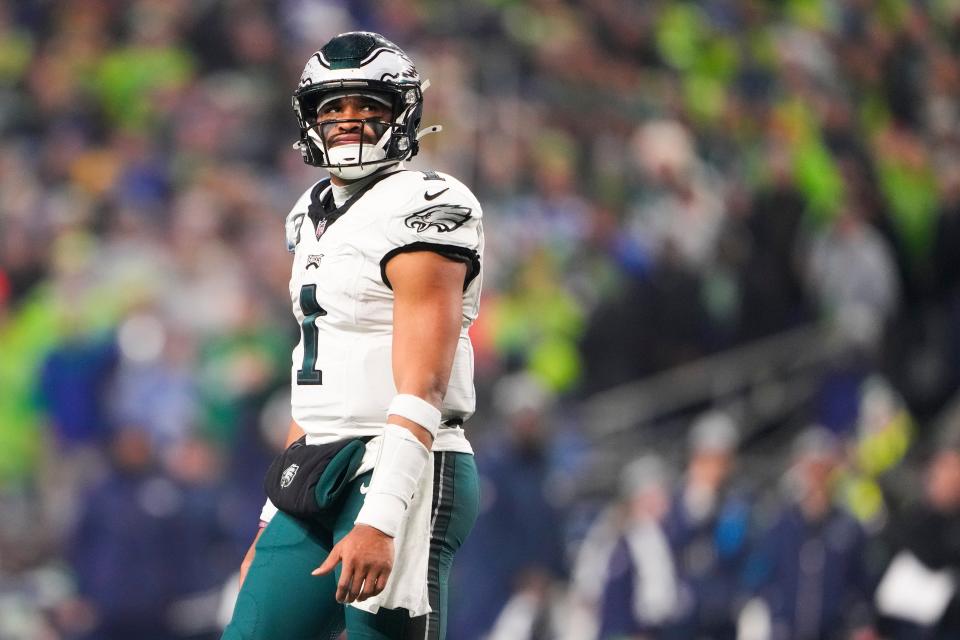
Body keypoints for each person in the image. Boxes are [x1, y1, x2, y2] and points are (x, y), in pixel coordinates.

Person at [221, 31, 483, 640]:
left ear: (403, 112)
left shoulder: (427, 203)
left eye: (369, 105)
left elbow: (426, 379)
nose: (349, 121)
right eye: (332, 108)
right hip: (320, 462)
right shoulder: (309, 212)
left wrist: (383, 518)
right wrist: (269, 520)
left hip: (403, 466)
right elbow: (316, 378)